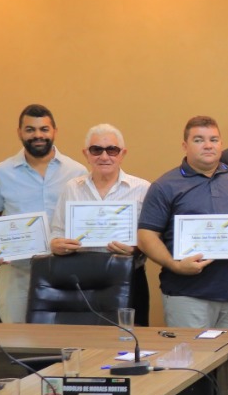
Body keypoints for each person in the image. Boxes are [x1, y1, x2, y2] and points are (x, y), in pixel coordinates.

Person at [138, 116, 228, 328]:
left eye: (214, 139)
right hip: (187, 294)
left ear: (221, 143)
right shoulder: (165, 185)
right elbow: (146, 236)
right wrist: (175, 265)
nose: (208, 145)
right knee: (192, 351)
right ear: (185, 145)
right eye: (199, 140)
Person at [0, 104, 87, 323]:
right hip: (17, 271)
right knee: (17, 337)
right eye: (30, 129)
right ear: (19, 132)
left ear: (55, 131)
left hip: (64, 269)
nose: (38, 135)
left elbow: (84, 219)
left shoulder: (77, 171)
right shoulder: (1, 172)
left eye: (44, 129)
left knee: (64, 336)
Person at [48, 123, 152, 325]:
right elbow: (57, 231)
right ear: (86, 154)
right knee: (82, 337)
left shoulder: (143, 189)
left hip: (129, 278)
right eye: (96, 150)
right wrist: (55, 244)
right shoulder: (72, 188)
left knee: (130, 338)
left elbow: (152, 238)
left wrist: (136, 249)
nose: (104, 157)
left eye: (112, 150)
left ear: (122, 154)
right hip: (81, 280)